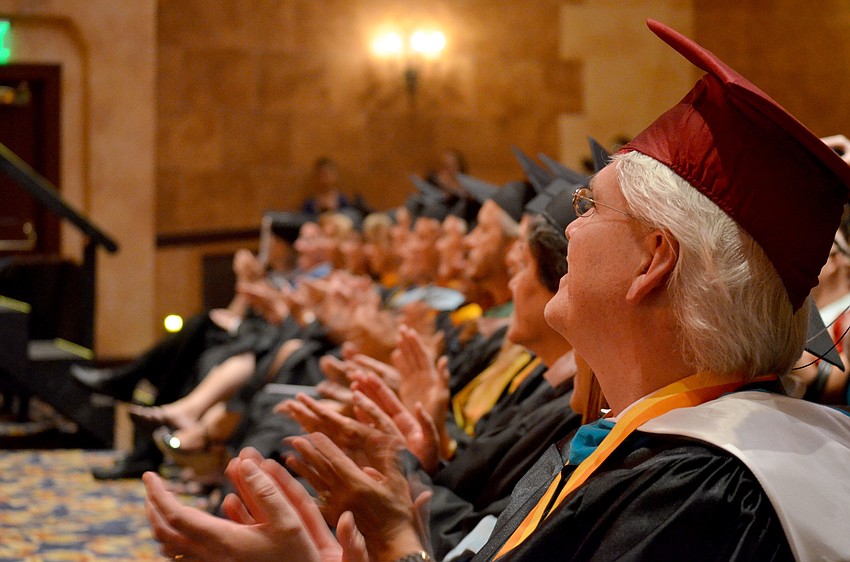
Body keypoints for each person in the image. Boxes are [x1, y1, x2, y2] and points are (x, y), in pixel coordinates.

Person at [145, 19, 850, 561]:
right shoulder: (643, 445)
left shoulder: (702, 491)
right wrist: (400, 528)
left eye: (589, 207)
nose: (566, 234)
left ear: (653, 261)